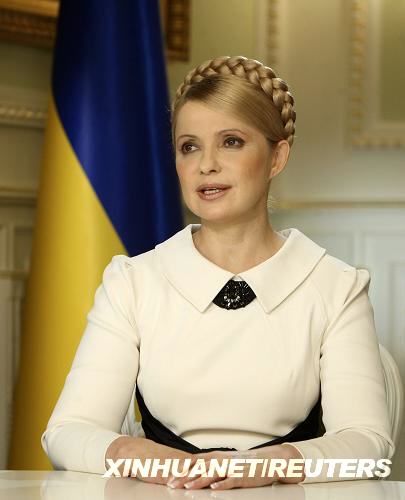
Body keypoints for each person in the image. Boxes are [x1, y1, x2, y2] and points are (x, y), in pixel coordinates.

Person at [41, 55, 394, 489]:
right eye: (189, 146)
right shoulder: (133, 282)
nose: (206, 164)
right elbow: (66, 433)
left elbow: (368, 446)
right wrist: (137, 455)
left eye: (231, 141)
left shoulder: (335, 287)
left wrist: (273, 465)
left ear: (277, 157)